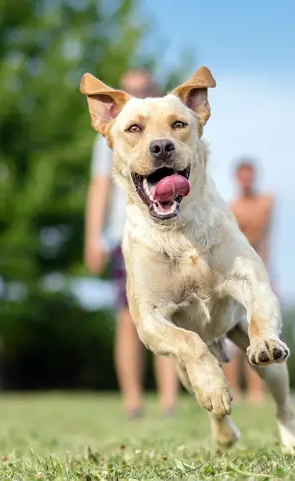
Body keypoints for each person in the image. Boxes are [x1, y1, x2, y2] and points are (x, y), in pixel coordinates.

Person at [84, 68, 180, 419]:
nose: (137, 96)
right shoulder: (110, 135)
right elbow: (100, 187)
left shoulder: (170, 131)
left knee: (168, 315)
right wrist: (92, 237)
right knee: (128, 318)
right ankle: (133, 402)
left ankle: (170, 402)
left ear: (155, 91)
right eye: (130, 91)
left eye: (143, 89)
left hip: (166, 231)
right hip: (125, 235)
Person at [223, 159, 275, 406]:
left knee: (260, 329)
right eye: (243, 176)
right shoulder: (231, 208)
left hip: (259, 269)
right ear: (237, 179)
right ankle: (235, 389)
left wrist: (268, 275)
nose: (247, 180)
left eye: (250, 176)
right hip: (235, 270)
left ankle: (257, 392)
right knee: (233, 334)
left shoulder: (267, 202)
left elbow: (265, 240)